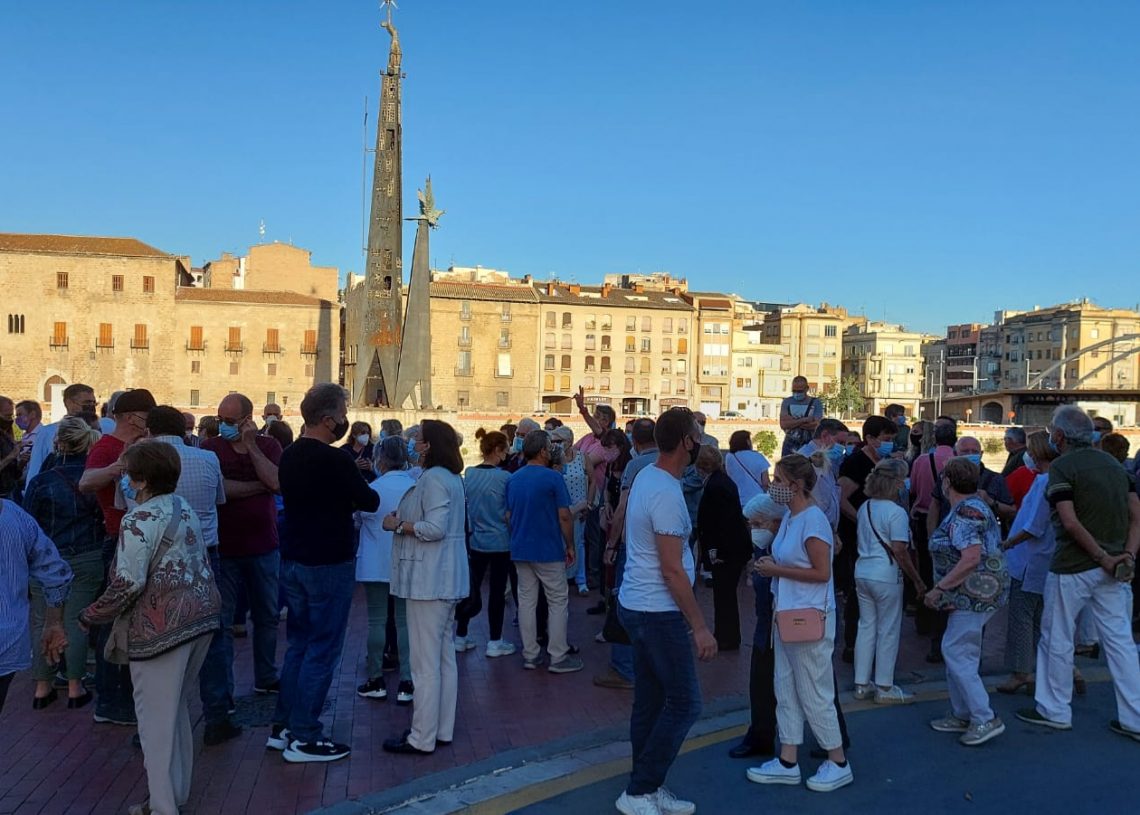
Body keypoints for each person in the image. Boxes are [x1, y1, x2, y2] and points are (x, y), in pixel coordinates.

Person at [79, 442, 221, 815]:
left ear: (140, 480)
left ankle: (162, 807)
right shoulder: (182, 505)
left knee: (155, 725)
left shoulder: (138, 519)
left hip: (160, 629)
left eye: (126, 474)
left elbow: (127, 582)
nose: (123, 479)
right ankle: (174, 795)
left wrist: (90, 615)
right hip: (200, 617)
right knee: (175, 712)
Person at [268, 383, 380, 763]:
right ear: (330, 418)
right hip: (329, 561)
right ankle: (305, 735)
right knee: (323, 648)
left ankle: (283, 727)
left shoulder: (290, 455)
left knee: (298, 645)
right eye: (343, 412)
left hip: (295, 557)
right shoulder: (336, 460)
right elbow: (369, 498)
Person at [1016, 406, 1140, 741]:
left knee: (1057, 637)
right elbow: (1135, 516)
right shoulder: (1117, 468)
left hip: (1073, 566)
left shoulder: (1063, 468)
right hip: (1115, 567)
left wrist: (1100, 556)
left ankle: (1054, 710)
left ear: (1059, 437)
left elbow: (1069, 522)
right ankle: (1135, 718)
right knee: (1120, 642)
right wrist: (1124, 555)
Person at [615, 408, 716, 815]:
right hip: (657, 611)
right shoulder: (668, 493)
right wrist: (699, 627)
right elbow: (672, 570)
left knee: (652, 702)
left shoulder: (647, 477)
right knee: (685, 703)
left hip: (637, 604)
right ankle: (639, 790)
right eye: (697, 436)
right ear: (688, 442)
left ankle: (647, 785)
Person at [749, 454, 851, 793]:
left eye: (778, 481)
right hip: (789, 616)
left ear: (794, 486)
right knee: (786, 687)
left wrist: (775, 570)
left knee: (813, 690)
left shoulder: (812, 520)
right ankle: (787, 759)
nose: (773, 486)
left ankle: (837, 760)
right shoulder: (794, 517)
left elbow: (822, 573)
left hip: (807, 618)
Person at [145, 405, 240, 746]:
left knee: (156, 638)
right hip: (203, 554)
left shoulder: (139, 460)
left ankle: (154, 723)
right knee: (212, 634)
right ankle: (217, 715)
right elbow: (219, 500)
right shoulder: (206, 459)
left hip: (155, 559)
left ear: (150, 429)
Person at [382, 420, 470, 754]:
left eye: (417, 439)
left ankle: (421, 736)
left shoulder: (433, 478)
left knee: (424, 663)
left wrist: (398, 525)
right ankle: (440, 729)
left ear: (429, 445)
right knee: (443, 658)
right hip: (444, 579)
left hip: (429, 581)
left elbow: (434, 528)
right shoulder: (449, 478)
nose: (412, 443)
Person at [79, 386, 156, 726]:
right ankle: (110, 701)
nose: (148, 421)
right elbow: (86, 483)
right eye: (145, 415)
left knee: (132, 624)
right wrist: (119, 466)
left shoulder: (146, 445)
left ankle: (125, 698)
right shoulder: (106, 447)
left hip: (138, 540)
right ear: (129, 416)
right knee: (114, 624)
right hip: (119, 539)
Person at [201, 394, 284, 708]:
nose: (225, 425)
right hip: (225, 548)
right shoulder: (210, 450)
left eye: (231, 421)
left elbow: (277, 483)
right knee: (222, 622)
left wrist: (250, 446)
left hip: (264, 545)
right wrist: (258, 484)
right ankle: (224, 691)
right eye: (221, 418)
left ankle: (266, 677)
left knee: (267, 617)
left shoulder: (268, 446)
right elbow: (220, 489)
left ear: (249, 419)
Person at [924, 457, 1009, 747]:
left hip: (973, 593)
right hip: (975, 592)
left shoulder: (965, 514)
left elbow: (971, 557)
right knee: (964, 651)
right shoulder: (971, 507)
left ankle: (984, 716)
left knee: (955, 650)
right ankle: (963, 713)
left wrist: (939, 588)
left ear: (946, 482)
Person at [22, 416, 105, 709]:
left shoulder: (41, 481)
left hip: (46, 559)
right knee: (75, 621)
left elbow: (29, 524)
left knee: (42, 620)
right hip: (86, 555)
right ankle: (74, 685)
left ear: (58, 444)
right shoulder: (94, 479)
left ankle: (42, 687)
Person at [506, 430, 582, 674]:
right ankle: (558, 655)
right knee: (557, 600)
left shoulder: (513, 479)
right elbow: (564, 515)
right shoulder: (553, 478)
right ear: (542, 451)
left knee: (527, 601)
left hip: (520, 548)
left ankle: (530, 654)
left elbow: (508, 515)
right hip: (548, 548)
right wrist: (569, 545)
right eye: (549, 447)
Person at [852, 458, 926, 704]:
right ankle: (885, 685)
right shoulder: (897, 513)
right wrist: (916, 579)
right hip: (886, 574)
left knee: (866, 627)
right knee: (888, 630)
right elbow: (900, 550)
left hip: (863, 571)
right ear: (895, 483)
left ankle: (862, 683)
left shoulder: (865, 507)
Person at [355, 436, 416, 701]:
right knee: (405, 623)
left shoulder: (372, 488)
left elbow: (358, 519)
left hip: (374, 562)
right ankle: (407, 682)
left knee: (376, 622)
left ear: (381, 458)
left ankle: (375, 678)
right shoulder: (415, 487)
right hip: (407, 562)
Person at [727, 493, 787, 759]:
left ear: (775, 522)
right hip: (769, 625)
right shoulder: (768, 546)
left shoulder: (786, 547)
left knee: (807, 685)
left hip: (784, 624)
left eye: (757, 524)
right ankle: (762, 735)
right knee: (762, 680)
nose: (753, 530)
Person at [998, 431, 1058, 695]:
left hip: (1028, 561)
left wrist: (1008, 544)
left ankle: (1021, 671)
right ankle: (1053, 669)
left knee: (1022, 618)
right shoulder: (1053, 481)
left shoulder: (1044, 482)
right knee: (1040, 620)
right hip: (1043, 561)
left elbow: (1033, 525)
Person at [0, 497, 71, 716]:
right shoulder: (15, 516)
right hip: (7, 640)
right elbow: (55, 573)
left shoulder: (16, 516)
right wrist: (54, 622)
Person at [836, 415, 898, 662]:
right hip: (857, 536)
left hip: (875, 536)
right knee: (856, 590)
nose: (890, 444)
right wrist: (863, 519)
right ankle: (852, 644)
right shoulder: (855, 463)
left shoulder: (882, 461)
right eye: (886, 439)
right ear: (870, 438)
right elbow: (841, 499)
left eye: (892, 439)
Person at [455, 430, 515, 657]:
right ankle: (495, 640)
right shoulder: (505, 478)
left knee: (470, 589)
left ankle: (461, 635)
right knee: (497, 593)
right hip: (501, 541)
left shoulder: (469, 473)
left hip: (476, 540)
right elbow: (508, 512)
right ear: (498, 450)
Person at [910, 415, 957, 660]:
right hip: (952, 524)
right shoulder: (960, 463)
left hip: (923, 519)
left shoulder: (921, 460)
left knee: (926, 571)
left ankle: (924, 620)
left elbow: (915, 490)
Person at [696, 445, 751, 651]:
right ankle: (727, 634)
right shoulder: (722, 481)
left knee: (724, 594)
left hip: (727, 551)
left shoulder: (715, 486)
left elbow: (721, 523)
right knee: (725, 594)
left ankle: (726, 636)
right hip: (733, 548)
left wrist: (717, 552)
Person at [573, 389, 619, 592]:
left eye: (601, 417)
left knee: (592, 536)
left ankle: (592, 575)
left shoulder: (608, 443)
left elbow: (583, 461)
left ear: (608, 421)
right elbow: (573, 452)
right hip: (579, 491)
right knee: (580, 535)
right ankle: (579, 572)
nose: (596, 420)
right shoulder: (587, 438)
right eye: (596, 416)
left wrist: (583, 410)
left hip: (597, 493)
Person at [25, 383, 98, 483]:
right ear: (69, 403)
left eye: (94, 403)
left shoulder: (99, 429)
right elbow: (35, 469)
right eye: (87, 403)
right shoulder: (47, 433)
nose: (91, 407)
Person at [552, 425, 593, 596]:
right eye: (553, 440)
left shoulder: (582, 458)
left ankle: (581, 579)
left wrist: (589, 503)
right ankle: (562, 579)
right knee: (560, 543)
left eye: (558, 440)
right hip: (561, 507)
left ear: (568, 441)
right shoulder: (553, 459)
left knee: (579, 543)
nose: (555, 444)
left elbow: (592, 480)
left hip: (579, 507)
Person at [724, 430, 770, 507]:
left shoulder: (729, 457)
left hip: (735, 498)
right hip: (757, 499)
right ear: (748, 441)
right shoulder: (758, 456)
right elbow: (765, 482)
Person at [779, 376, 822, 457]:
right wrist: (805, 420)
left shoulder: (816, 402)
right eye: (794, 390)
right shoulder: (786, 402)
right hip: (790, 443)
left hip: (810, 443)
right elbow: (783, 424)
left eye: (800, 391)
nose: (797, 393)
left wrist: (792, 421)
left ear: (807, 389)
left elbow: (816, 425)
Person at [0, 396, 20, 499]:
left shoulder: (6, 434)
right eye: (7, 416)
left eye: (11, 416)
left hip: (9, 490)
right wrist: (12, 455)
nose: (10, 420)